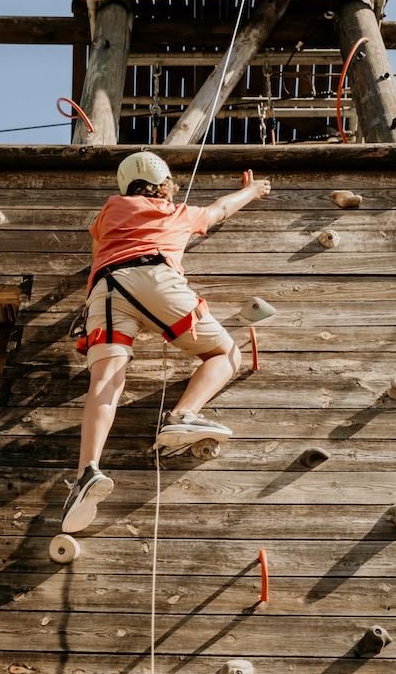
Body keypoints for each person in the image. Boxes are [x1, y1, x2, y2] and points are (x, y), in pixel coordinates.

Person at [62, 152, 271, 532]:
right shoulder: (177, 212)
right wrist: (252, 191)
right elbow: (221, 209)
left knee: (105, 379)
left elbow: (96, 255)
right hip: (155, 278)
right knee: (225, 352)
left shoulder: (109, 212)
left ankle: (86, 472)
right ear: (163, 185)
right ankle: (182, 416)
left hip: (105, 290)